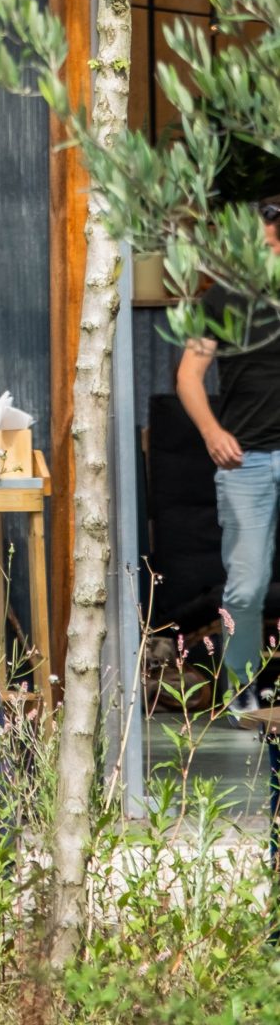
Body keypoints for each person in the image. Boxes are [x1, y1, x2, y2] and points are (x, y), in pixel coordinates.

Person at [177, 201, 280, 702]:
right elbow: (189, 377)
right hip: (248, 463)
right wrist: (212, 432)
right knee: (245, 589)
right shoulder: (219, 302)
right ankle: (244, 695)